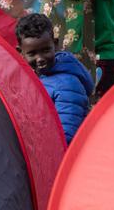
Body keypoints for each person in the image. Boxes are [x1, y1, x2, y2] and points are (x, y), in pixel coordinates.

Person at [16, 13, 94, 144]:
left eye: (46, 50)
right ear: (21, 52)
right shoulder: (34, 77)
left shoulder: (67, 84)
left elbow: (66, 136)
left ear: (55, 44)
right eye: (32, 53)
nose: (40, 59)